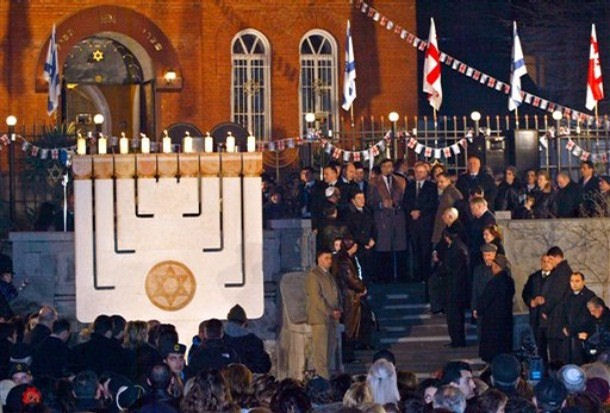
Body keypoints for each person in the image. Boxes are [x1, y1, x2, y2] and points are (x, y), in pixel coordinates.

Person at [366, 158, 407, 281]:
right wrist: (380, 204)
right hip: (382, 219)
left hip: (398, 218)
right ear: (381, 168)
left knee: (399, 249)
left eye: (390, 166)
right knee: (384, 249)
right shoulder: (373, 182)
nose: (387, 169)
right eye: (384, 167)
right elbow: (369, 201)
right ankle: (384, 278)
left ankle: (400, 277)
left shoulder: (400, 181)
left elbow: (405, 198)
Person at [306, 249, 341, 379]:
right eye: (326, 258)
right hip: (320, 319)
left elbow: (335, 294)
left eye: (330, 258)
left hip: (331, 318)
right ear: (319, 259)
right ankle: (323, 380)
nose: (330, 261)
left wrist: (338, 309)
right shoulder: (314, 275)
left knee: (329, 351)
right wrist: (330, 311)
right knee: (321, 353)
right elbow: (316, 298)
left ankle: (327, 378)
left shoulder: (329, 275)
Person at [476, 255, 515, 363]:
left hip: (493, 319)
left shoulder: (494, 282)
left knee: (493, 347)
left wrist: (479, 310)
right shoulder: (509, 281)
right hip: (505, 318)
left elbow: (486, 299)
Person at [403, 161, 438, 282]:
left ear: (426, 173)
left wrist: (420, 212)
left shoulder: (432, 187)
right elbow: (405, 202)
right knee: (415, 250)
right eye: (417, 172)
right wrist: (411, 211)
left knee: (425, 251)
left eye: (421, 172)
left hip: (426, 224)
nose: (418, 174)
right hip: (413, 224)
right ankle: (416, 276)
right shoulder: (410, 185)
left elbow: (433, 204)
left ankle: (426, 276)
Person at [332, 237, 366, 355]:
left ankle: (350, 350)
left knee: (351, 325)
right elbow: (350, 278)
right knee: (349, 326)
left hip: (349, 294)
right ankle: (348, 353)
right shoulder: (344, 261)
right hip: (348, 296)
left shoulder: (347, 259)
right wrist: (361, 287)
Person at [541, 246, 573, 362]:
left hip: (557, 317)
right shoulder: (562, 272)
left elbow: (555, 294)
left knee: (557, 353)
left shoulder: (561, 273)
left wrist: (546, 309)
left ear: (558, 257)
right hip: (558, 317)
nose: (549, 262)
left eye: (551, 259)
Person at [522, 254, 555, 364]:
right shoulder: (534, 277)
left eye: (549, 261)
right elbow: (526, 293)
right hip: (536, 318)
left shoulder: (557, 279)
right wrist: (531, 301)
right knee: (540, 348)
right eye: (544, 261)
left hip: (551, 319)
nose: (546, 264)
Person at [223, 304, 271, 374]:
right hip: (246, 380)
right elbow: (263, 367)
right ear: (244, 322)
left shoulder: (220, 338)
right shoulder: (253, 341)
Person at [441, 228, 469, 347]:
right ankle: (458, 340)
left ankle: (457, 341)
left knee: (454, 317)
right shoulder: (460, 247)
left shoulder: (454, 249)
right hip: (459, 287)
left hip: (453, 288)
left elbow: (449, 268)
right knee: (457, 316)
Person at [561, 272, 596, 364]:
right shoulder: (567, 295)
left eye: (577, 281)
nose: (574, 284)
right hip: (569, 334)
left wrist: (585, 333)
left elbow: (588, 317)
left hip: (583, 335)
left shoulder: (589, 296)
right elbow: (563, 313)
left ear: (583, 282)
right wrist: (564, 326)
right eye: (572, 281)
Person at [344, 191, 375, 281]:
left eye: (363, 198)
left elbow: (373, 227)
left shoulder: (368, 211)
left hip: (369, 245)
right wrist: (364, 241)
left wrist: (372, 239)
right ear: (353, 201)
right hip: (357, 246)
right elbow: (351, 231)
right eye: (359, 198)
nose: (362, 200)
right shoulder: (349, 214)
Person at [470, 243, 497, 333]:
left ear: (494, 255)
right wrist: (474, 307)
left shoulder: (501, 270)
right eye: (485, 255)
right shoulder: (478, 270)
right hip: (482, 307)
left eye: (489, 255)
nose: (487, 258)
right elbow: (475, 289)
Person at [432, 172, 464, 246]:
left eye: (442, 182)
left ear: (448, 180)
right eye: (438, 182)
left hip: (446, 227)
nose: (439, 184)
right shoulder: (445, 192)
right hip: (441, 226)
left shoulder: (454, 192)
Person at [467, 196, 496, 270]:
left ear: (480, 206)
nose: (472, 212)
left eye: (473, 209)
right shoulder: (477, 219)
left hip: (482, 253)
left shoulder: (489, 219)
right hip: (475, 251)